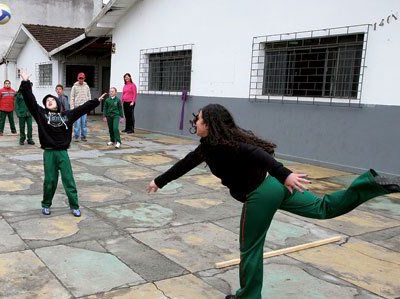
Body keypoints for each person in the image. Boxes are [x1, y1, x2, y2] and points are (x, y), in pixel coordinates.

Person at [146, 104, 400, 299]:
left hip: (262, 193)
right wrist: (160, 180)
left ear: (210, 124)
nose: (196, 122)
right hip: (275, 186)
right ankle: (368, 183)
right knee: (323, 208)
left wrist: (285, 173)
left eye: (199, 119)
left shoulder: (223, 146)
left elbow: (257, 154)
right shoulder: (214, 145)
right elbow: (184, 165)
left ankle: (248, 297)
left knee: (250, 248)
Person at [19, 69, 106, 217]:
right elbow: (30, 101)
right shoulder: (41, 114)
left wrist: (96, 101)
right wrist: (26, 82)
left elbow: (82, 109)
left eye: (51, 99)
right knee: (50, 181)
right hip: (49, 152)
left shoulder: (67, 115)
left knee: (68, 180)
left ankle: (74, 206)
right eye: (47, 101)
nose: (49, 101)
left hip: (63, 152)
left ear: (57, 102)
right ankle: (46, 204)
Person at [69, 72, 91, 142]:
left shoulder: (86, 87)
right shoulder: (74, 87)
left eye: (82, 78)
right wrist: (72, 108)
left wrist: (89, 106)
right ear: (77, 78)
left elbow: (89, 96)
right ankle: (76, 136)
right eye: (80, 78)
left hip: (84, 108)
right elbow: (72, 97)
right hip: (77, 108)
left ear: (84, 78)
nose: (81, 79)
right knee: (77, 123)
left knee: (84, 123)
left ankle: (83, 136)